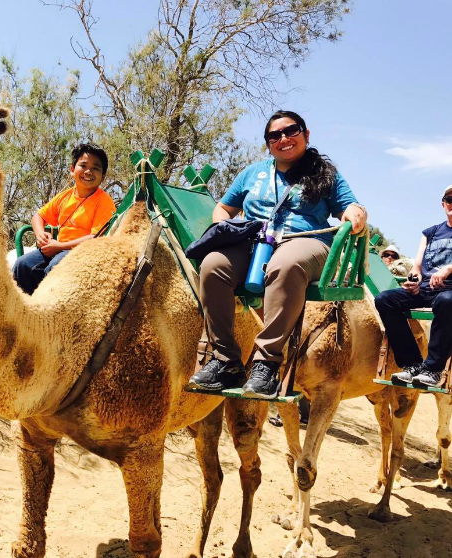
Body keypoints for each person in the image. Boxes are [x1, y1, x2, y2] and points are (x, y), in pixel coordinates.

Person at [188, 110, 367, 398]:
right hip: (256, 242)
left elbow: (349, 207)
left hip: (306, 241)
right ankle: (225, 361)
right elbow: (224, 207)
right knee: (213, 265)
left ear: (306, 135)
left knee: (286, 264)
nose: (283, 138)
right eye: (274, 135)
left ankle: (266, 364)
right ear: (268, 144)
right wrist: (224, 226)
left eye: (291, 131)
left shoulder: (325, 174)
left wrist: (355, 213)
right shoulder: (252, 172)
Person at [13, 143, 116, 295]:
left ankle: (50, 312)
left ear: (103, 176)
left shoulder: (104, 201)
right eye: (83, 165)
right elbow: (38, 216)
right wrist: (40, 234)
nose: (88, 171)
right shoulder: (65, 196)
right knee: (23, 264)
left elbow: (96, 237)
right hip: (58, 248)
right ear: (72, 170)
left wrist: (60, 246)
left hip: (84, 253)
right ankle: (25, 311)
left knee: (56, 266)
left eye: (95, 168)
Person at [375, 186, 452, 387]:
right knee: (385, 299)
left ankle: (434, 369)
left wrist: (447, 269)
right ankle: (413, 364)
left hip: (449, 291)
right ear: (443, 204)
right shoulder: (431, 232)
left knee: (447, 300)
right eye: (449, 199)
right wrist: (414, 281)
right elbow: (417, 267)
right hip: (426, 289)